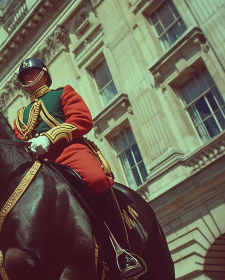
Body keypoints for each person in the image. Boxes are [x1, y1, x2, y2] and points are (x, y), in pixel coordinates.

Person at [13, 57, 146, 279]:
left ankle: (121, 250)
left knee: (95, 179)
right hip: (41, 165)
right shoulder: (19, 117)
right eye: (24, 76)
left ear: (44, 74)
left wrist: (49, 137)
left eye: (32, 72)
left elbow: (81, 120)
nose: (27, 77)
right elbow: (19, 143)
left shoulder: (62, 93)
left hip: (70, 151)